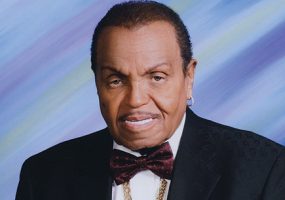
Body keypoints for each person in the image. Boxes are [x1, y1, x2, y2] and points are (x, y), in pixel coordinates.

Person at [16, 1, 285, 200]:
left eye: (156, 77)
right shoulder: (43, 176)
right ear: (98, 83)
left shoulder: (264, 168)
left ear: (188, 77)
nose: (135, 100)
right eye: (116, 80)